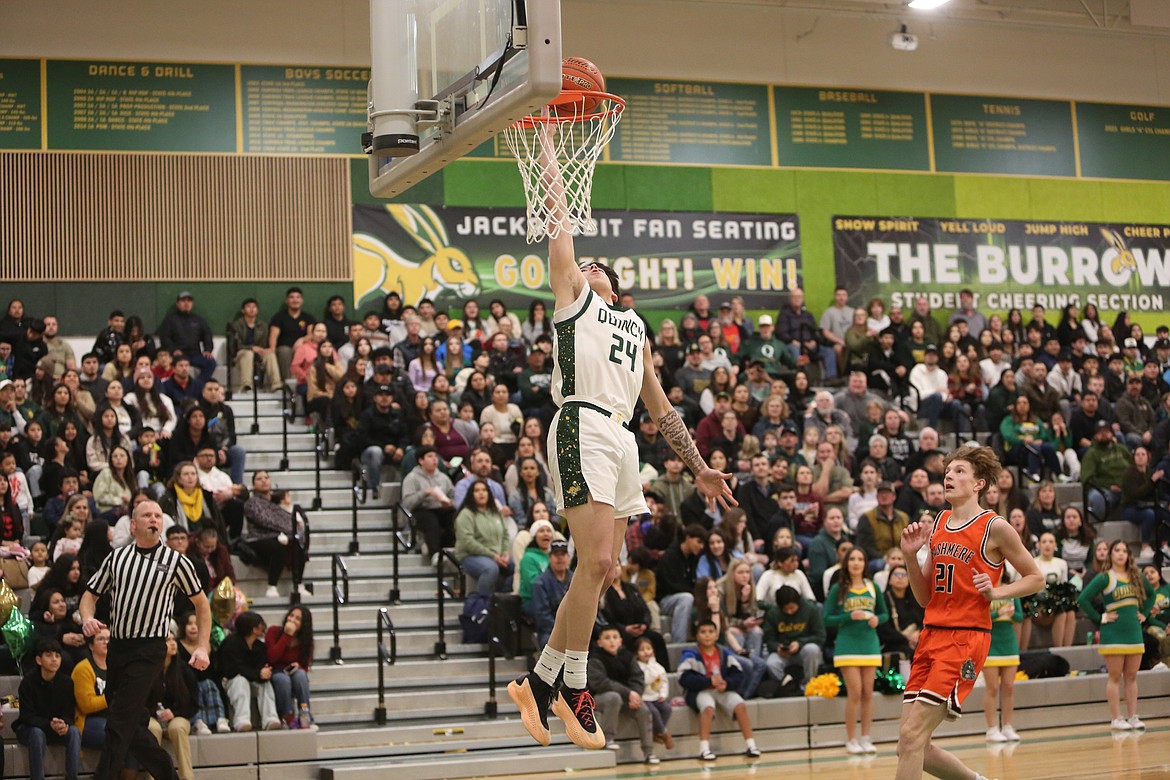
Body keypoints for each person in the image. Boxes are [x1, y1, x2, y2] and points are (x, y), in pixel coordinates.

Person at [506, 124, 734, 754]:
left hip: (624, 438)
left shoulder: (633, 326)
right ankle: (569, 686)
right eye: (582, 261)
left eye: (596, 264)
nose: (586, 264)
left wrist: (699, 469)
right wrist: (548, 143)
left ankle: (540, 682)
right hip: (581, 421)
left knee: (603, 571)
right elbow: (557, 212)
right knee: (599, 563)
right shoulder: (572, 300)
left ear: (615, 282)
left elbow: (661, 410)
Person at [894, 444, 1044, 780]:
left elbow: (1036, 578)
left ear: (979, 484)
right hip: (931, 633)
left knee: (911, 736)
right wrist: (909, 555)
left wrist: (997, 592)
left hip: (965, 638)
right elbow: (923, 598)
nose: (949, 476)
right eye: (947, 471)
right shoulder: (940, 521)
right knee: (910, 744)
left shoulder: (995, 527)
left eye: (959, 471)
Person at [78, 499, 211, 780]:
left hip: (149, 648)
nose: (154, 519)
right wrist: (88, 617)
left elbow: (202, 604)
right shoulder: (117, 558)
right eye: (147, 515)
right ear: (133, 525)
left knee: (117, 722)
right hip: (118, 646)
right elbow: (89, 595)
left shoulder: (176, 561)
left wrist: (202, 646)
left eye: (158, 515)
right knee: (133, 724)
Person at [1076, 539, 1155, 731]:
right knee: (1114, 676)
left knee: (1132, 676)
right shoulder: (1105, 577)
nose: (1121, 554)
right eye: (1117, 550)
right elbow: (1083, 598)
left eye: (1124, 551)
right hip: (1113, 633)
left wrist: (1144, 613)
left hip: (1134, 632)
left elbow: (1151, 594)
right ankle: (1116, 718)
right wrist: (1100, 617)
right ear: (1111, 554)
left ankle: (1133, 716)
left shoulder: (1136, 576)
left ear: (1129, 555)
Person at [825, 548, 888, 755]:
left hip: (869, 644)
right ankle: (851, 739)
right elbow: (827, 618)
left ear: (865, 563)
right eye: (852, 559)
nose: (856, 563)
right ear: (846, 563)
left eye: (860, 559)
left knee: (868, 693)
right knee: (855, 692)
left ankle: (866, 737)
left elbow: (884, 613)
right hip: (847, 645)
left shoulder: (873, 587)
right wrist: (848, 617)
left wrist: (878, 619)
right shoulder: (838, 589)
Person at [677, 619, 761, 761]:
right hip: (700, 691)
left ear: (716, 635)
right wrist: (707, 681)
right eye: (703, 632)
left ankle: (751, 745)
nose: (707, 635)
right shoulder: (690, 655)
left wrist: (727, 684)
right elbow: (683, 678)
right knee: (708, 708)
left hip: (722, 690)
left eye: (711, 632)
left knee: (740, 705)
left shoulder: (724, 653)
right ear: (697, 636)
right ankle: (704, 749)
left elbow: (738, 674)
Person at [588, 624, 657, 762]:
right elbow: (600, 683)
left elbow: (638, 677)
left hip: (625, 697)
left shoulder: (628, 656)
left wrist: (635, 694)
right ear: (600, 643)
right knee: (613, 697)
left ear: (620, 641)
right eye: (607, 638)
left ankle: (649, 752)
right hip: (598, 698)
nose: (612, 641)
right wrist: (628, 693)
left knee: (643, 710)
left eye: (615, 637)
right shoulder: (594, 658)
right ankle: (607, 739)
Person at [15, 638, 82, 780]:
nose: (54, 660)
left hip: (54, 728)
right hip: (30, 728)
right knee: (37, 733)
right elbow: (27, 716)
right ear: (39, 660)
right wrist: (49, 724)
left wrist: (64, 723)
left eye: (57, 656)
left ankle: (72, 777)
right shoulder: (28, 682)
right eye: (49, 655)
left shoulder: (67, 682)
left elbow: (69, 713)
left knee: (74, 731)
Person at [220, 610, 280, 731]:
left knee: (265, 684)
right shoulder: (230, 644)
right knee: (240, 681)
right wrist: (258, 674)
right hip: (231, 681)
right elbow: (233, 669)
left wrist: (264, 672)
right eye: (260, 625)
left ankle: (270, 718)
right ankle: (241, 720)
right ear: (254, 629)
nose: (264, 627)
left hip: (252, 679)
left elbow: (260, 669)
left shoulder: (259, 646)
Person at [454, 478, 514, 597]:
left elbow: (505, 535)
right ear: (471, 494)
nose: (481, 493)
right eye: (477, 490)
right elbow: (467, 541)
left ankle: (500, 602)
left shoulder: (496, 512)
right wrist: (493, 556)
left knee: (517, 567)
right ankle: (482, 607)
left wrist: (505, 553)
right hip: (470, 556)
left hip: (497, 555)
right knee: (490, 569)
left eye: (484, 490)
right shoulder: (466, 514)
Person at [155, 630, 198, 780]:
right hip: (153, 716)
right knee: (151, 728)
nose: (173, 643)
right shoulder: (148, 671)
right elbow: (141, 701)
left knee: (177, 728)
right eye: (168, 640)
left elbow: (193, 703)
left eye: (174, 639)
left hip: (179, 715)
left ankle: (187, 776)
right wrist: (155, 713)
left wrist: (174, 712)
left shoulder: (185, 670)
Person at [762, 584, 824, 686]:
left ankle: (809, 684)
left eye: (792, 608)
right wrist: (777, 647)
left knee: (812, 649)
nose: (789, 612)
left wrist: (799, 643)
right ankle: (786, 685)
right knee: (771, 663)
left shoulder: (810, 609)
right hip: (784, 653)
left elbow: (820, 636)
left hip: (804, 650)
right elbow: (769, 639)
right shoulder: (773, 614)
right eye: (785, 609)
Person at [266, 605, 316, 729]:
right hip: (276, 670)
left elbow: (305, 666)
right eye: (291, 616)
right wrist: (287, 635)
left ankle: (305, 713)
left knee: (301, 675)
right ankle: (288, 718)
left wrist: (298, 666)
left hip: (294, 672)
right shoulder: (273, 631)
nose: (292, 620)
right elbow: (271, 657)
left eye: (297, 619)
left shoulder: (307, 641)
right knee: (283, 680)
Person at [982, 593, 1023, 743]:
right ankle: (992, 729)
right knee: (992, 687)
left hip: (1009, 642)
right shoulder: (983, 589)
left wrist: (1012, 614)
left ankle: (1007, 726)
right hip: (990, 643)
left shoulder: (1012, 590)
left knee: (1009, 686)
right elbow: (978, 615)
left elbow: (1020, 617)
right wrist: (997, 613)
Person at [633, 636, 673, 752]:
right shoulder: (637, 667)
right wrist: (653, 672)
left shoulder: (658, 667)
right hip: (644, 697)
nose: (646, 652)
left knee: (667, 709)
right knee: (654, 712)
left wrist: (663, 694)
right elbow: (645, 680)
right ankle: (664, 733)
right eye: (642, 649)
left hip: (656, 696)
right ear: (636, 653)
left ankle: (656, 733)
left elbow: (664, 681)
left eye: (648, 648)